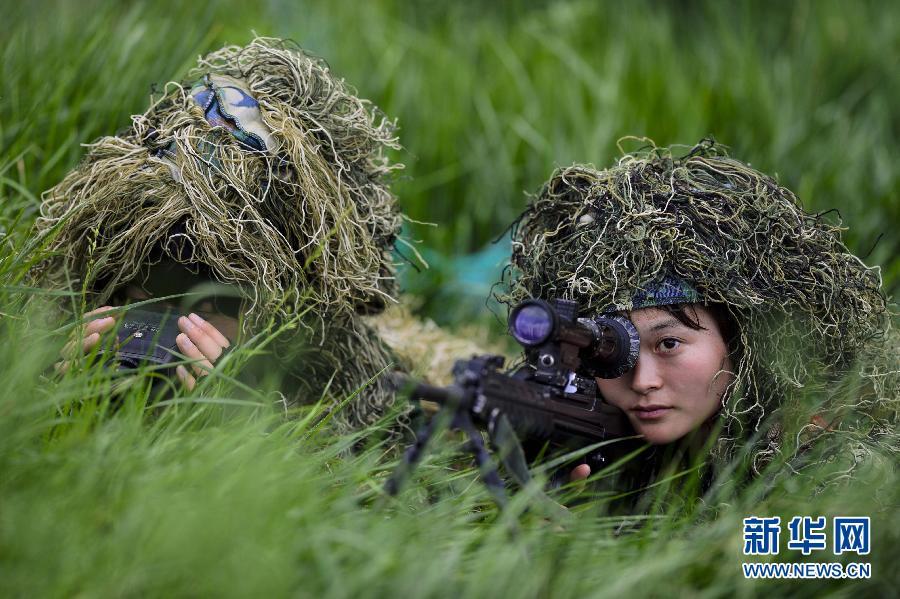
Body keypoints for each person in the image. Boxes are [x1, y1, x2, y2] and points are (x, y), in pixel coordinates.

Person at [34, 37, 410, 431]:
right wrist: (59, 392)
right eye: (144, 295)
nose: (172, 333)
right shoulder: (73, 309)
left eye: (209, 307)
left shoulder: (335, 375)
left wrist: (236, 411)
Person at [500, 141, 897, 494]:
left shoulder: (817, 458)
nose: (643, 382)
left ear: (738, 339)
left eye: (668, 344)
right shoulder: (609, 438)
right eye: (612, 350)